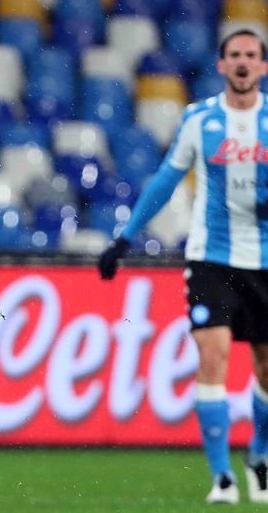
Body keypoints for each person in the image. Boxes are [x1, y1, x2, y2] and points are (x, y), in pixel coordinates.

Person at [98, 29, 268, 505]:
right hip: (212, 257)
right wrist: (125, 237)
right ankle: (222, 477)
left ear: (262, 66)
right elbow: (165, 180)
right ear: (221, 65)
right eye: (234, 55)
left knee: (266, 368)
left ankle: (258, 454)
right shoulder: (199, 118)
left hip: (265, 261)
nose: (242, 62)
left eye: (250, 55)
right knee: (213, 357)